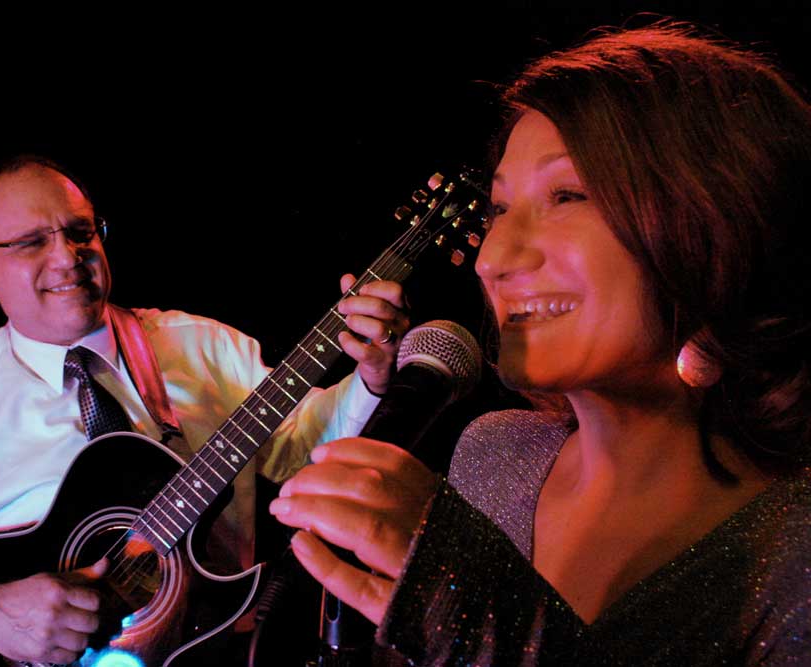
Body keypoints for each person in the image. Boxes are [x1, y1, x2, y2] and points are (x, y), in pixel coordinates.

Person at [271, 22, 811, 665]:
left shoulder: (793, 550)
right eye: (500, 209)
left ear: (713, 226)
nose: (492, 260)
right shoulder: (495, 453)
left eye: (566, 196)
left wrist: (475, 613)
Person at [0, 155, 410, 666]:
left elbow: (303, 445)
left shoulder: (202, 347)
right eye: (30, 242)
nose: (67, 257)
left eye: (79, 232)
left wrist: (372, 380)